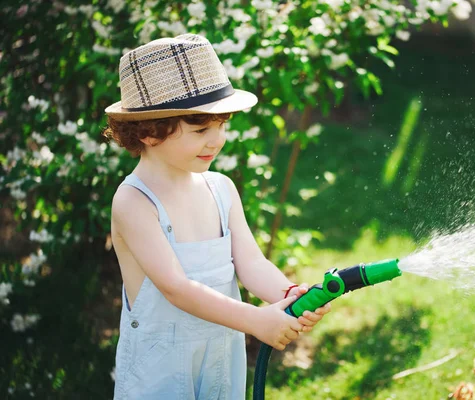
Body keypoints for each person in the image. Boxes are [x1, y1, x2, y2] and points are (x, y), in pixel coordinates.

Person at [103, 34, 330, 400]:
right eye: (200, 130)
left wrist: (287, 296)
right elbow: (176, 288)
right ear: (147, 131)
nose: (217, 140)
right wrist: (257, 321)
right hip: (160, 368)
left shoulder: (220, 188)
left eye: (222, 125)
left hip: (219, 357)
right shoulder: (134, 202)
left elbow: (251, 262)